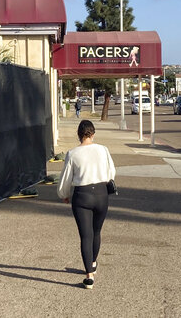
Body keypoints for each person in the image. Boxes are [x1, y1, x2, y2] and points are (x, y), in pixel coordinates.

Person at [57, 120, 116, 289]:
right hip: (101, 194)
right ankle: (94, 262)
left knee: (85, 236)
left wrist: (64, 194)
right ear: (93, 134)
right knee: (96, 231)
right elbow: (111, 171)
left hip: (82, 196)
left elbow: (66, 177)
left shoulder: (73, 153)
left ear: (79, 134)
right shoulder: (103, 150)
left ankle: (89, 276)